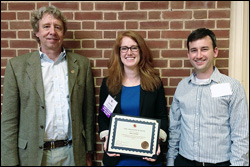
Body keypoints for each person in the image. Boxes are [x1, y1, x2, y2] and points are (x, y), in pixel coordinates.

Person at [1, 6, 95, 166]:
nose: (52, 31)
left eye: (57, 27)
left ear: (63, 33)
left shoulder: (82, 65)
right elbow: (9, 120)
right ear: (36, 32)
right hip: (33, 156)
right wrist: (10, 162)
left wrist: (88, 151)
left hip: (71, 154)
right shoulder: (17, 66)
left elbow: (88, 113)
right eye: (46, 26)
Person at [167, 28, 249, 166]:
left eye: (204, 49)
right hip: (184, 161)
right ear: (188, 54)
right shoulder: (182, 87)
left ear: (215, 51)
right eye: (194, 50)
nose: (199, 55)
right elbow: (175, 129)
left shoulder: (233, 87)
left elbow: (241, 135)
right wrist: (171, 161)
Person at [98, 31, 168, 166]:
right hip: (117, 158)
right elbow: (103, 116)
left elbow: (162, 117)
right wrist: (107, 138)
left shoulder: (154, 83)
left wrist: (156, 141)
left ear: (141, 51)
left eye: (134, 47)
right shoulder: (109, 84)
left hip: (147, 158)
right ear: (118, 52)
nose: (129, 52)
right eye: (124, 48)